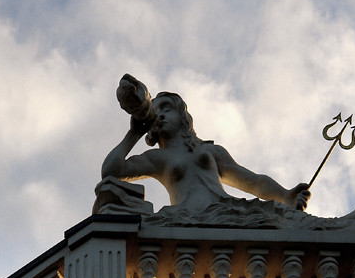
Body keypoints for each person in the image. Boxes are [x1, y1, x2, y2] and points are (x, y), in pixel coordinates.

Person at [101, 89, 310, 213]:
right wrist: (134, 133)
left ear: (182, 116)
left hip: (225, 211)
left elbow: (252, 181)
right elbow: (111, 170)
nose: (161, 115)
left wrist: (286, 196)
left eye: (167, 108)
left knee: (279, 215)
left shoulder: (209, 150)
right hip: (185, 216)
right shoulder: (157, 158)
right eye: (155, 112)